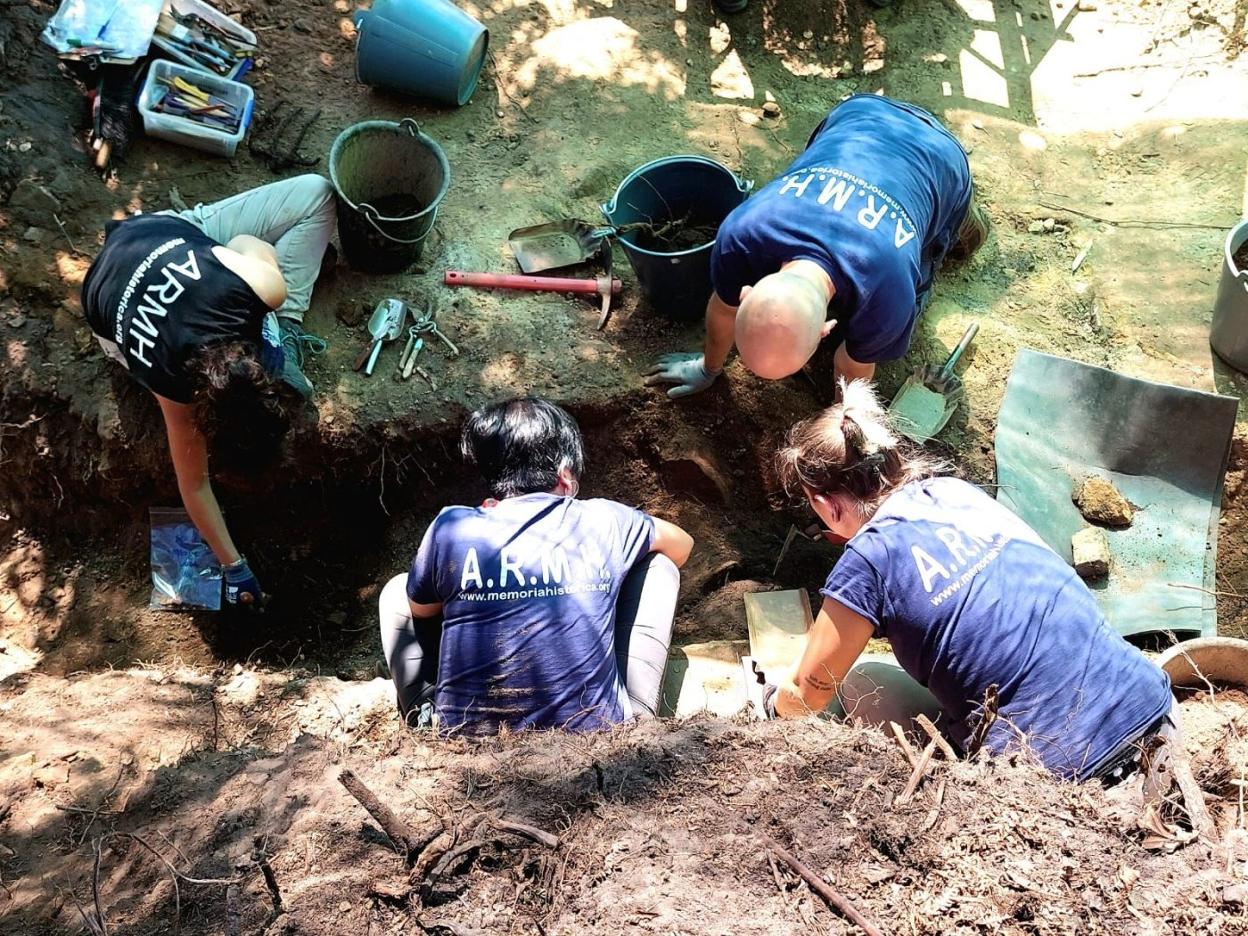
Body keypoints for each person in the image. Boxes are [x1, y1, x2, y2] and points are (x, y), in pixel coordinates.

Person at [760, 380, 1176, 783]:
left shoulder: (868, 560)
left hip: (1056, 777)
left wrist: (769, 711)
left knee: (864, 682)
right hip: (1152, 707)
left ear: (826, 505)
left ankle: (949, 776)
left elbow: (808, 692)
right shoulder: (956, 492)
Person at [81, 175, 338, 608]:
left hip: (159, 239)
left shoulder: (253, 292)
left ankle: (286, 324)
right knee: (305, 217)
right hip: (113, 295)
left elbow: (195, 485)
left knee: (318, 191)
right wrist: (232, 564)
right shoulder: (171, 381)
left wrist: (235, 568)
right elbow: (194, 483)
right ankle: (286, 324)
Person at [379, 397, 695, 735]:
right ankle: (636, 720)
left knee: (398, 590)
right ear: (564, 473)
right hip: (597, 737)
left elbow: (421, 610)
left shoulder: (452, 526)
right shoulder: (605, 519)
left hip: (468, 746)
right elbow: (682, 545)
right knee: (659, 567)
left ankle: (426, 716)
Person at [646, 93, 988, 400]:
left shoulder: (891, 291)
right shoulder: (740, 234)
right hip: (857, 114)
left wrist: (843, 426)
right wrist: (707, 368)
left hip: (940, 157)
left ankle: (971, 223)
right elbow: (723, 307)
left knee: (926, 267)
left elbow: (855, 367)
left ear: (828, 332)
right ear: (745, 293)